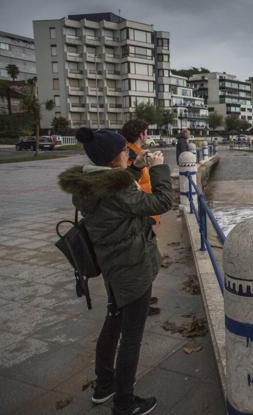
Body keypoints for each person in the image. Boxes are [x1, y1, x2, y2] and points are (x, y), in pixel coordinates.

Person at [59, 127, 172, 415]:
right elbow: (160, 202)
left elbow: (115, 196)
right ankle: (124, 402)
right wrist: (159, 169)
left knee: (113, 322)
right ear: (112, 160)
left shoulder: (91, 184)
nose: (128, 152)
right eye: (124, 151)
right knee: (131, 335)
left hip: (113, 264)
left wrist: (135, 168)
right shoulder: (117, 189)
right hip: (132, 266)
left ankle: (104, 386)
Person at [121, 119, 161, 316]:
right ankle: (140, 303)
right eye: (147, 132)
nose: (147, 135)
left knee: (150, 257)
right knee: (146, 259)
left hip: (144, 209)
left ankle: (144, 297)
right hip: (142, 210)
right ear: (141, 134)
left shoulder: (135, 153)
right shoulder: (128, 155)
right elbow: (131, 184)